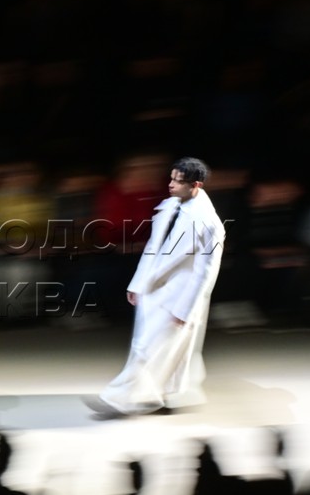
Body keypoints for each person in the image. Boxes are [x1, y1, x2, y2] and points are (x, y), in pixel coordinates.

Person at [86, 156, 227, 418]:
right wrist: (138, 283)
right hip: (155, 290)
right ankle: (172, 395)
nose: (171, 184)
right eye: (171, 179)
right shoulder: (170, 206)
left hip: (179, 295)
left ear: (195, 184)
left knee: (150, 348)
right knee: (166, 350)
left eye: (178, 181)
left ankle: (121, 399)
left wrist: (186, 309)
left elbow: (205, 273)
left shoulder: (208, 223)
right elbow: (153, 248)